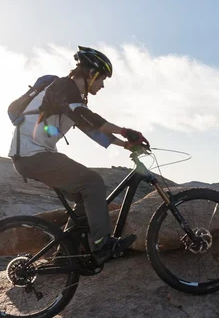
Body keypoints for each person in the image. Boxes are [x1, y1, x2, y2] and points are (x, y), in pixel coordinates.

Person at [10, 46, 149, 265]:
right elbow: (87, 117)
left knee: (86, 196)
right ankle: (102, 245)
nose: (102, 85)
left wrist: (126, 144)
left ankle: (65, 256)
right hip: (32, 155)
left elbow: (91, 129)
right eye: (102, 79)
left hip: (34, 155)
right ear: (91, 73)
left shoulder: (71, 99)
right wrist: (124, 130)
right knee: (93, 182)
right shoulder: (64, 87)